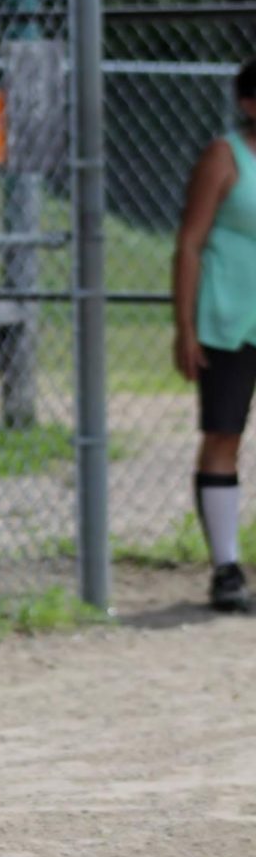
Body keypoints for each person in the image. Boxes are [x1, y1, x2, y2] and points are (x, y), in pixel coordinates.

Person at [172, 57, 256, 612]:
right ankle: (226, 567)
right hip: (231, 321)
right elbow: (190, 243)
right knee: (223, 437)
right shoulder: (225, 156)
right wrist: (185, 326)